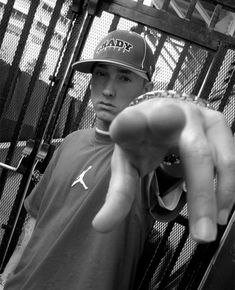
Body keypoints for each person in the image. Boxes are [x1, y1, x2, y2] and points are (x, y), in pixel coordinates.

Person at [1, 29, 235, 290]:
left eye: (124, 77)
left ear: (146, 90)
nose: (109, 89)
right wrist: (8, 274)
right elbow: (35, 218)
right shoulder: (71, 141)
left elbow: (177, 160)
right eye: (101, 74)